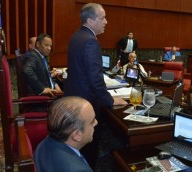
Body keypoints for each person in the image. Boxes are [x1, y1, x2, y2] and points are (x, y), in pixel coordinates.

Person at [64, 3, 120, 169]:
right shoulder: (90, 42)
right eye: (102, 18)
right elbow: (96, 80)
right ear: (90, 20)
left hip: (73, 99)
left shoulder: (76, 36)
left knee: (79, 145)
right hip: (85, 104)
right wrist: (110, 100)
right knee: (89, 146)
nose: (106, 22)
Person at [34, 96, 97, 172]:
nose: (96, 122)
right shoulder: (79, 169)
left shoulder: (45, 143)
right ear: (77, 135)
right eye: (92, 121)